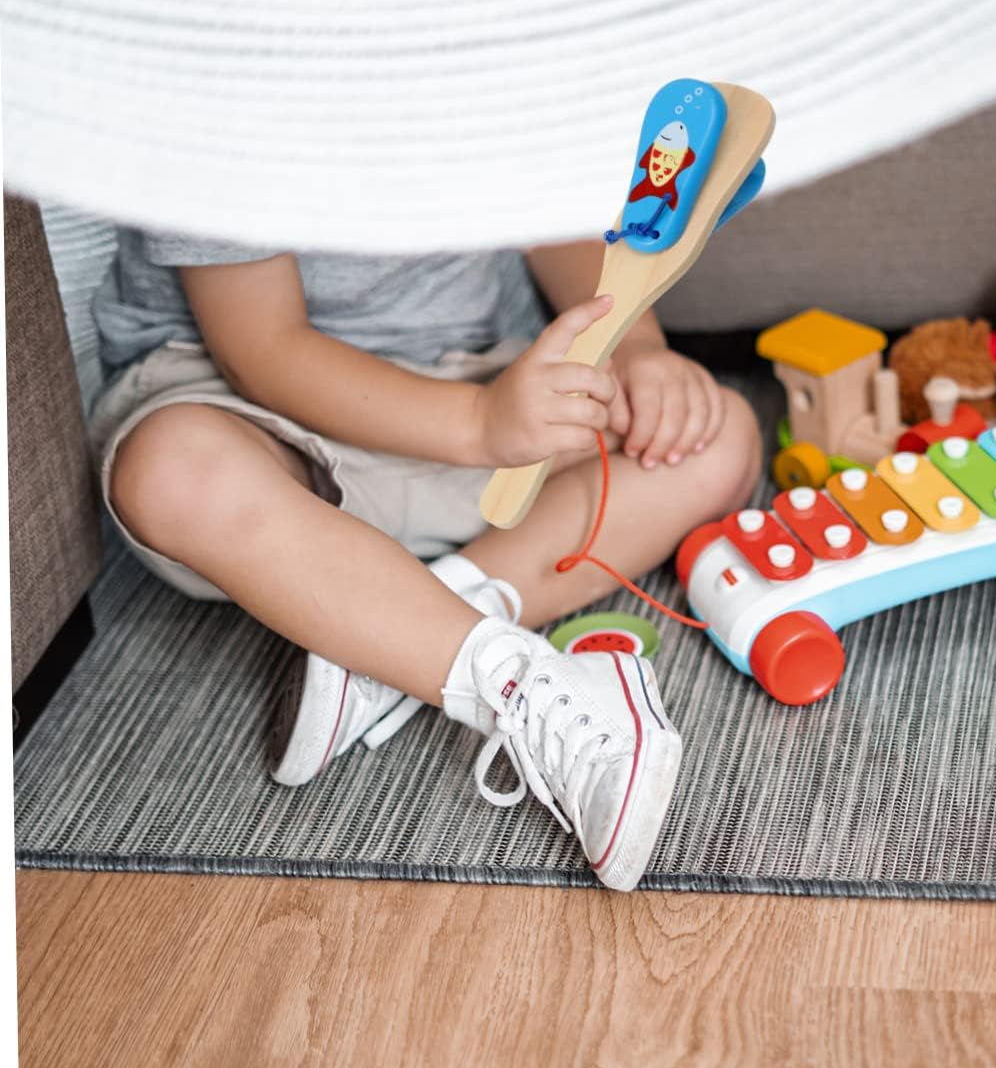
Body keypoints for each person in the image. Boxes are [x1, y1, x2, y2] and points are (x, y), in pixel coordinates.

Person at [89, 233, 761, 890]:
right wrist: (477, 423)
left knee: (718, 437)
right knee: (170, 472)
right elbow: (262, 350)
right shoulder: (225, 122)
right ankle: (510, 680)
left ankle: (395, 635)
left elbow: (554, 222)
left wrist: (638, 350)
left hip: (470, 380)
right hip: (251, 410)